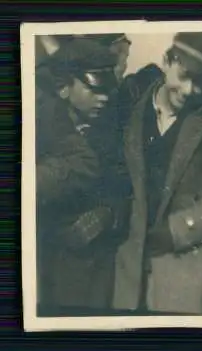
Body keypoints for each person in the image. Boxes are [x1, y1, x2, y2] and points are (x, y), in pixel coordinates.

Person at [112, 32, 202, 315]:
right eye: (184, 76)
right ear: (166, 62)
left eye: (200, 82)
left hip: (181, 265)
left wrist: (179, 229)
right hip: (126, 263)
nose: (188, 90)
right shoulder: (128, 109)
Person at [36, 38, 130, 314]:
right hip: (41, 259)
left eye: (107, 90)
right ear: (64, 87)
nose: (103, 98)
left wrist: (109, 214)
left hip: (89, 270)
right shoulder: (36, 128)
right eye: (94, 89)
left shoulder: (112, 132)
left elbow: (128, 191)